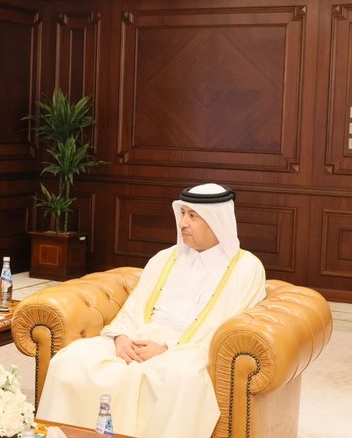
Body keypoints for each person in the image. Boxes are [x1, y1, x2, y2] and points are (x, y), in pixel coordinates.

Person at [35, 183, 266, 438]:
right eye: (183, 213)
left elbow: (222, 325)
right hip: (139, 336)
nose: (183, 223)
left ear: (216, 221)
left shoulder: (246, 268)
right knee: (70, 360)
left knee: (180, 379)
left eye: (193, 216)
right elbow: (134, 308)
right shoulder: (165, 258)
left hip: (190, 349)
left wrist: (167, 348)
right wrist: (121, 338)